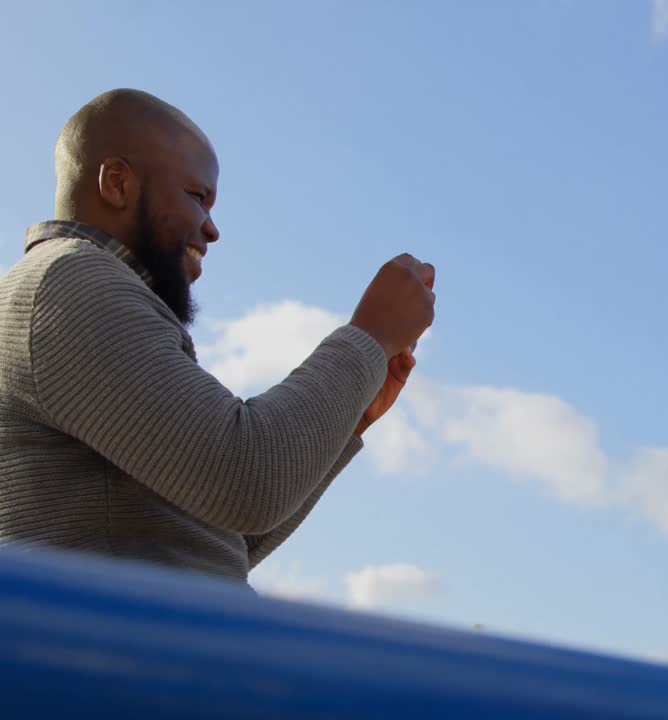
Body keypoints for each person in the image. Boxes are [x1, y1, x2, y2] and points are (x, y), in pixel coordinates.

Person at [0, 88, 436, 583]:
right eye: (196, 196)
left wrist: (347, 419)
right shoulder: (69, 281)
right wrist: (369, 337)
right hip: (126, 658)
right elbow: (245, 483)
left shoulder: (66, 288)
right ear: (117, 183)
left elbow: (217, 533)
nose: (212, 229)